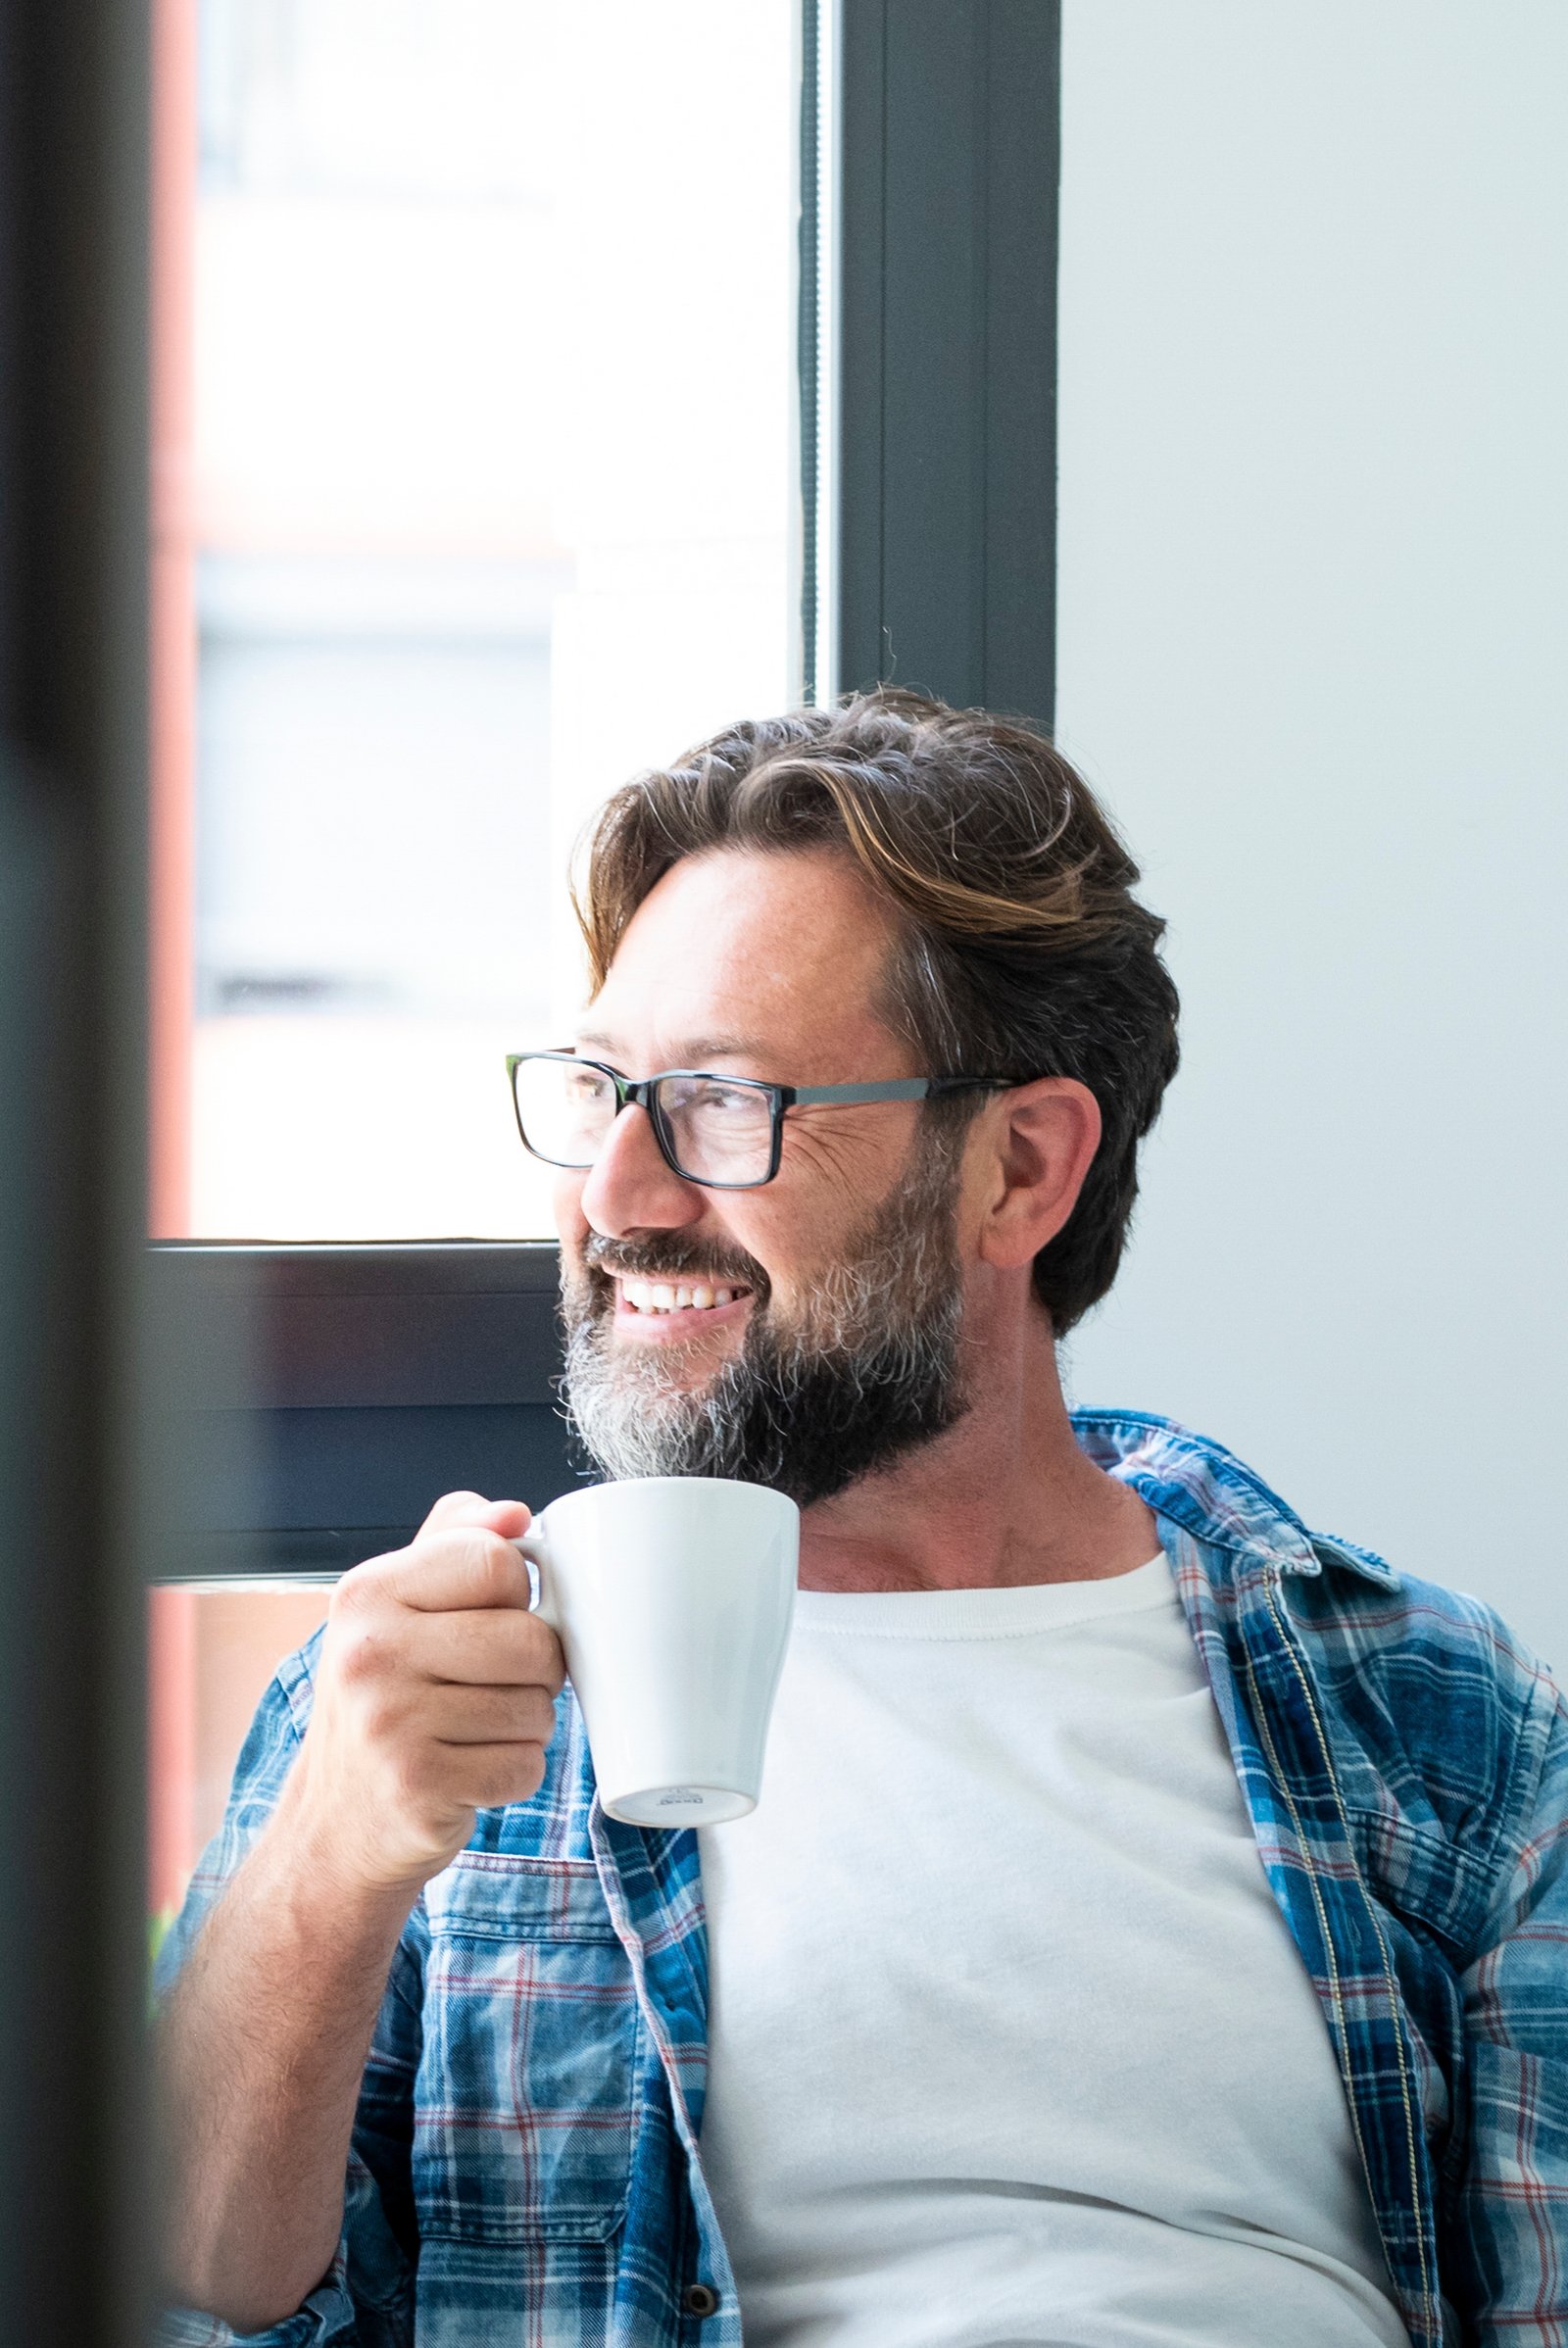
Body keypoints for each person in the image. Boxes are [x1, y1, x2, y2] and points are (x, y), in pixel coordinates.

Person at [155, 691, 1568, 2348]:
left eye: (724, 1105)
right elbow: (184, 2289)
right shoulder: (424, 1699)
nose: (618, 1198)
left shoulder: (1420, 1710)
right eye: (601, 1091)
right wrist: (332, 1856)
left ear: (1021, 1171)